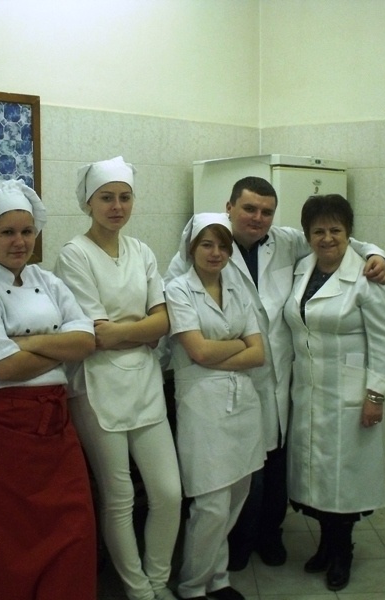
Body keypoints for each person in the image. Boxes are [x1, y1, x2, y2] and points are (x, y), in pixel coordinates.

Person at [164, 176, 385, 570]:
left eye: (267, 211)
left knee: (275, 462)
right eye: (249, 208)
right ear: (229, 207)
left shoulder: (286, 241)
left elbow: (338, 239)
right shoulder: (205, 243)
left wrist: (378, 255)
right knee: (237, 470)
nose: (258, 218)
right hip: (222, 376)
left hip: (279, 373)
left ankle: (270, 535)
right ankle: (235, 544)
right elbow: (176, 303)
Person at [0, 179, 97, 600]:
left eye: (27, 231)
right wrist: (58, 347)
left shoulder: (47, 281)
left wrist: (24, 343)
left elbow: (86, 342)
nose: (19, 241)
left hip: (54, 428)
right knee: (3, 545)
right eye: (7, 232)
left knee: (74, 532)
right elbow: (4, 368)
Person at [54, 156, 182, 600]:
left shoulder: (141, 252)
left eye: (125, 197)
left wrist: (125, 331)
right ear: (88, 203)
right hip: (96, 387)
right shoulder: (74, 255)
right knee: (119, 496)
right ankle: (139, 590)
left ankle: (159, 580)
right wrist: (140, 329)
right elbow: (94, 336)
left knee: (168, 492)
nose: (117, 206)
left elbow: (162, 321)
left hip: (144, 383)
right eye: (106, 198)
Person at [283, 194, 385, 591]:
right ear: (307, 235)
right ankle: (325, 545)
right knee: (316, 475)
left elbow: (382, 342)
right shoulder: (301, 269)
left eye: (336, 230)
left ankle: (342, 551)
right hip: (308, 390)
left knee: (343, 478)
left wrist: (375, 395)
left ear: (349, 233)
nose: (327, 238)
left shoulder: (366, 276)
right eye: (319, 231)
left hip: (351, 393)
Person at [165, 214, 266, 600]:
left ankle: (217, 579)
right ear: (192, 248)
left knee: (236, 496)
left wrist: (218, 353)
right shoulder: (178, 290)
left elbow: (259, 354)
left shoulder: (237, 287)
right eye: (207, 244)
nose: (216, 252)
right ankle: (192, 586)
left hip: (243, 405)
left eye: (223, 245)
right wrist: (238, 345)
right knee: (211, 504)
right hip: (202, 406)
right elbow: (198, 351)